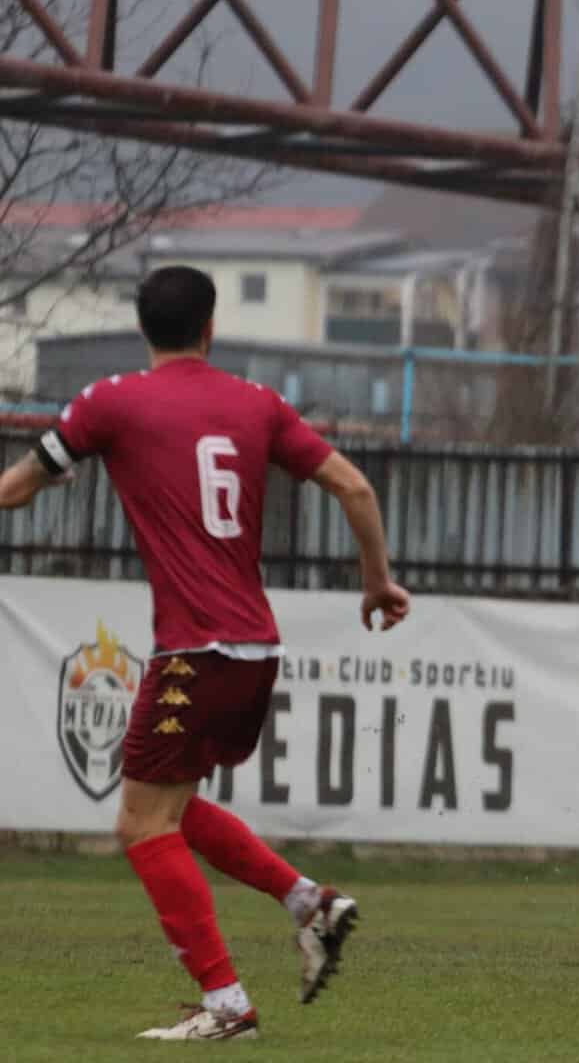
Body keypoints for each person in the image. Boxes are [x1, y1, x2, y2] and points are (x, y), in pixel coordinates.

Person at [0, 265, 411, 1041]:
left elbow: (20, 487)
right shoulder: (257, 405)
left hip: (195, 648)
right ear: (211, 327)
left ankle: (227, 1006)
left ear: (142, 327)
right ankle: (310, 905)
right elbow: (355, 488)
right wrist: (378, 584)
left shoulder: (110, 402)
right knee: (171, 809)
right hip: (254, 648)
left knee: (140, 825)